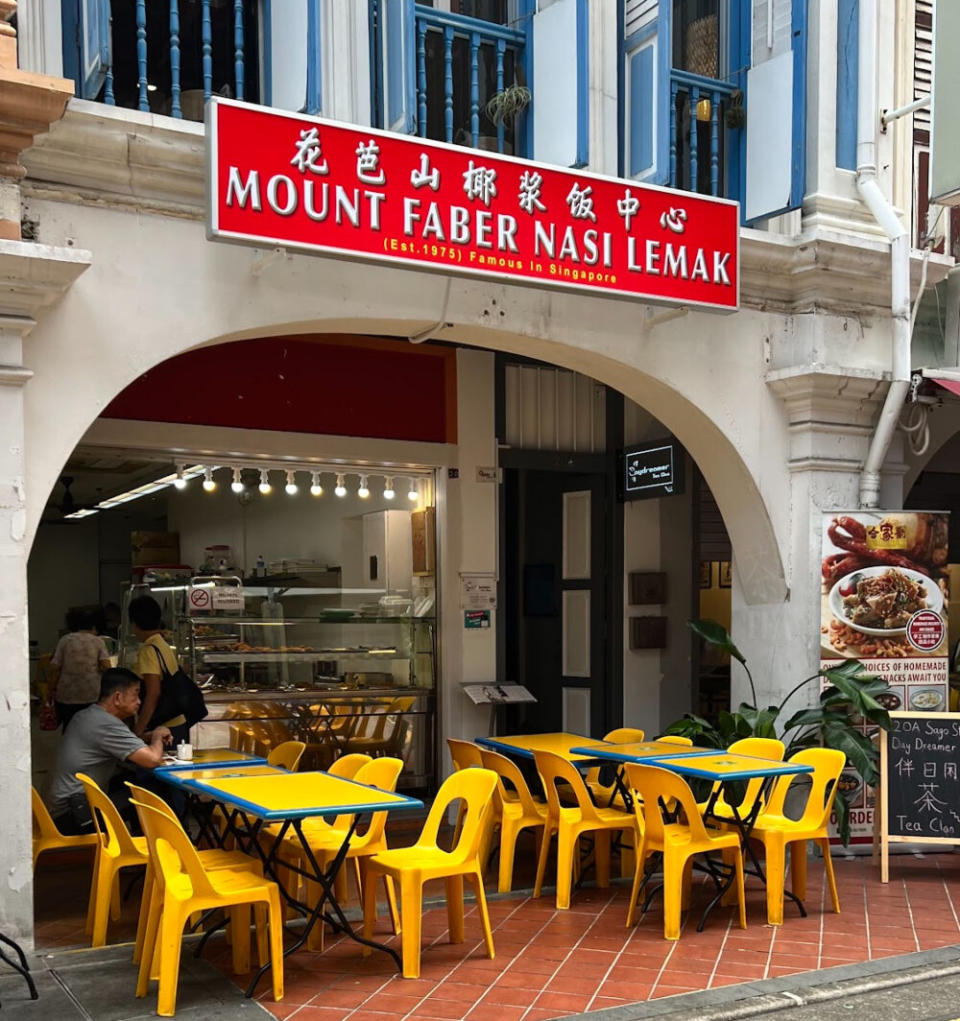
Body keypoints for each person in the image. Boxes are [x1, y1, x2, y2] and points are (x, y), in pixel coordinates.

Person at [46, 668, 173, 835]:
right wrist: (157, 734)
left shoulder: (87, 715)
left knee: (132, 782)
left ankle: (139, 846)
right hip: (73, 814)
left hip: (62, 806)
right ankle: (147, 849)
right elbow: (152, 760)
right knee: (148, 794)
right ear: (118, 697)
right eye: (135, 694)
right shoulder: (106, 724)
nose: (139, 701)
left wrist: (147, 737)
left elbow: (120, 742)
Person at [128, 594, 186, 742]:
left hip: (162, 727)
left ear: (135, 623)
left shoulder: (149, 649)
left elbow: (153, 693)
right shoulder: (162, 643)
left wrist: (139, 729)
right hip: (177, 721)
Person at [50, 608, 111, 731]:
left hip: (67, 693)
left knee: (69, 726)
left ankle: (69, 747)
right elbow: (106, 666)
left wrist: (50, 690)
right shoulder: (98, 641)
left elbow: (54, 667)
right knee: (90, 727)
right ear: (92, 626)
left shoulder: (65, 640)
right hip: (91, 693)